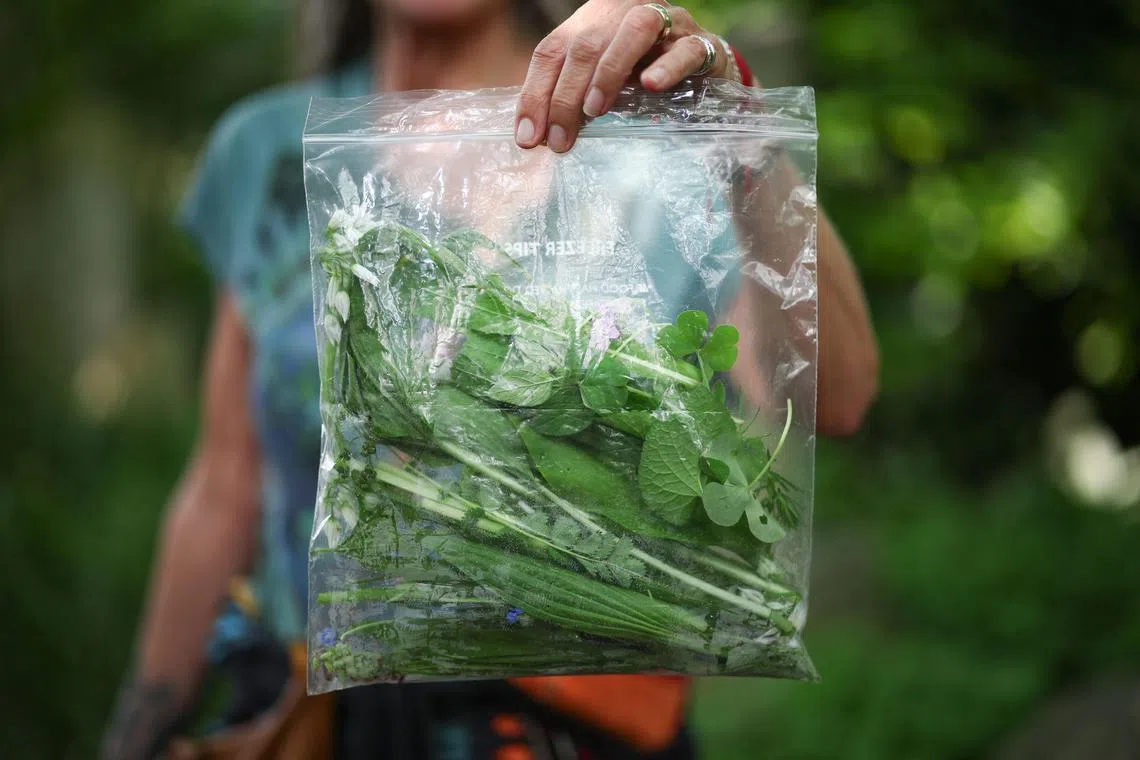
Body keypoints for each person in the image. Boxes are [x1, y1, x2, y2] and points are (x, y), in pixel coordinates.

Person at [101, 1, 879, 758]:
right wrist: (136, 734)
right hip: (303, 717)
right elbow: (224, 482)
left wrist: (731, 126)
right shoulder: (266, 148)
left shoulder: (642, 130)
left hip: (568, 725)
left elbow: (836, 398)